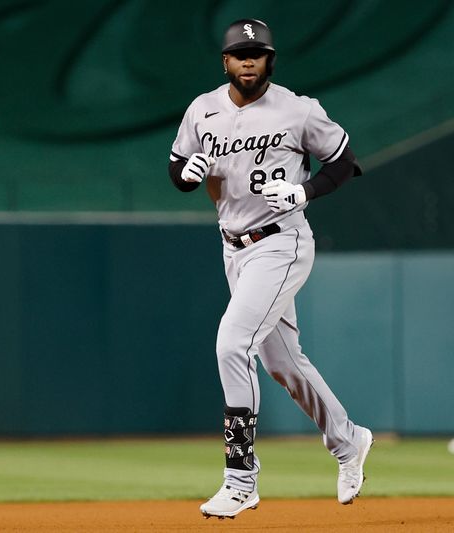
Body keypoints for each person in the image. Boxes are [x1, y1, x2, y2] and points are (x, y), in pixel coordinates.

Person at [168, 18, 373, 519]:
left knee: (231, 343)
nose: (247, 61)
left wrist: (306, 190)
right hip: (233, 248)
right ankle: (349, 440)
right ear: (226, 62)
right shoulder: (203, 110)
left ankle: (240, 479)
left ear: (269, 60)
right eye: (239, 53)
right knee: (282, 363)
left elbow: (344, 161)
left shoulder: (297, 109)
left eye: (256, 53)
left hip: (281, 243)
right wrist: (184, 175)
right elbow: (178, 166)